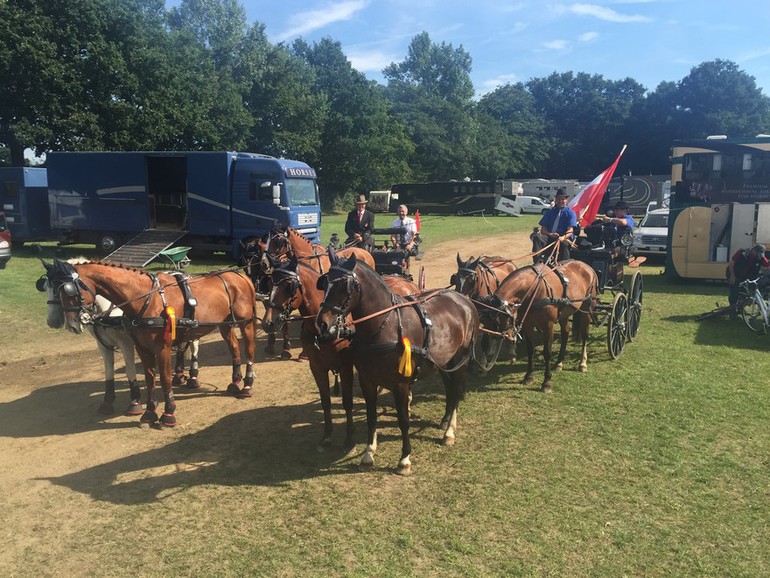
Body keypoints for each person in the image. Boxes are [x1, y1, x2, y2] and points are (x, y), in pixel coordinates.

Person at [531, 188, 577, 262]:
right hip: (550, 237)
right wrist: (550, 234)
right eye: (559, 199)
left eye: (563, 199)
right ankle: (537, 262)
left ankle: (563, 264)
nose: (560, 201)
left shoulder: (571, 213)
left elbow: (570, 230)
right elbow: (543, 230)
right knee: (537, 237)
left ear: (566, 200)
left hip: (563, 237)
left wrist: (563, 237)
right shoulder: (550, 212)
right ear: (556, 200)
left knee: (564, 243)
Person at [727, 243, 769, 315]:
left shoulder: (760, 257)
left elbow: (767, 265)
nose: (758, 255)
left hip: (746, 276)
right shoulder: (742, 252)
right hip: (734, 273)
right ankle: (732, 309)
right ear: (753, 250)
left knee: (745, 292)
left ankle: (741, 308)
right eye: (758, 253)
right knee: (734, 289)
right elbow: (732, 263)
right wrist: (732, 276)